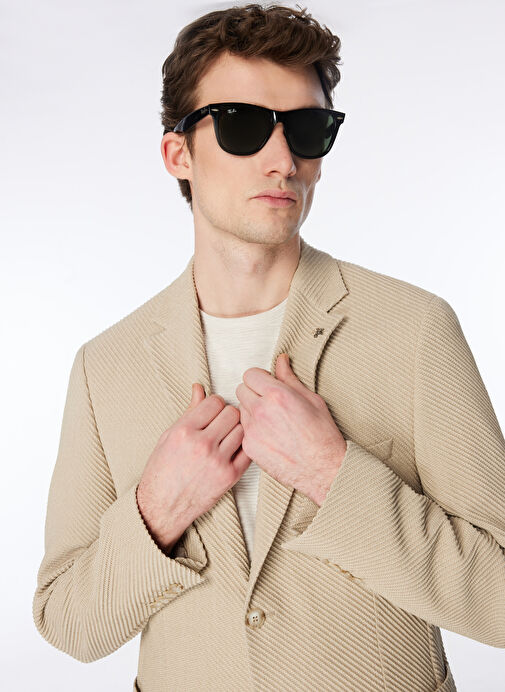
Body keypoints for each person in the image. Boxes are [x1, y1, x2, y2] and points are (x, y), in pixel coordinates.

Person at [33, 4, 505, 691]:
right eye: (242, 125)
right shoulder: (105, 366)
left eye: (307, 130)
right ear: (177, 154)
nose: (283, 161)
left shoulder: (413, 330)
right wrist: (155, 510)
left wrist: (334, 475)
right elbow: (69, 624)